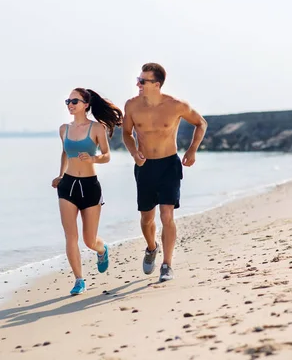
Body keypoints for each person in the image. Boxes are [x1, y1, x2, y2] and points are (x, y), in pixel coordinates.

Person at [122, 63, 207, 282]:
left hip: (169, 164)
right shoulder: (131, 106)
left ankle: (167, 264)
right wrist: (133, 152)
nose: (138, 84)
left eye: (143, 81)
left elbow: (201, 123)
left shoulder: (176, 105)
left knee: (167, 214)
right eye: (138, 80)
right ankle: (151, 247)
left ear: (156, 84)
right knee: (146, 218)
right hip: (144, 166)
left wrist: (192, 150)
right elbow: (126, 134)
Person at [52, 88, 123, 295]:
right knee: (70, 236)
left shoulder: (97, 128)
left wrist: (93, 159)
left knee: (89, 240)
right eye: (68, 101)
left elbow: (107, 155)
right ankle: (79, 280)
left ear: (86, 104)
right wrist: (60, 175)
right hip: (68, 186)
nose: (70, 104)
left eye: (74, 101)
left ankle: (102, 250)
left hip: (90, 186)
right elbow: (64, 153)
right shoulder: (63, 129)